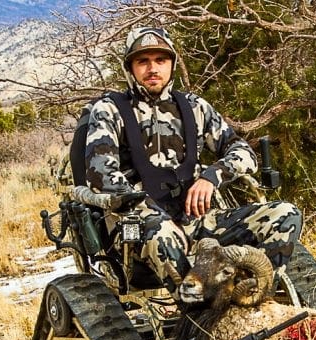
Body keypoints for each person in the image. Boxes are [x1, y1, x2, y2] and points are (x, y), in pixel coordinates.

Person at [85, 27, 302, 296]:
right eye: (143, 61)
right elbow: (100, 176)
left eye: (160, 60)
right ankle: (200, 312)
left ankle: (254, 296)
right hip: (138, 230)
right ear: (130, 67)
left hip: (198, 222)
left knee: (285, 214)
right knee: (161, 233)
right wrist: (153, 213)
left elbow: (243, 151)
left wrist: (212, 176)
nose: (153, 68)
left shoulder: (195, 107)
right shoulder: (109, 110)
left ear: (172, 64)